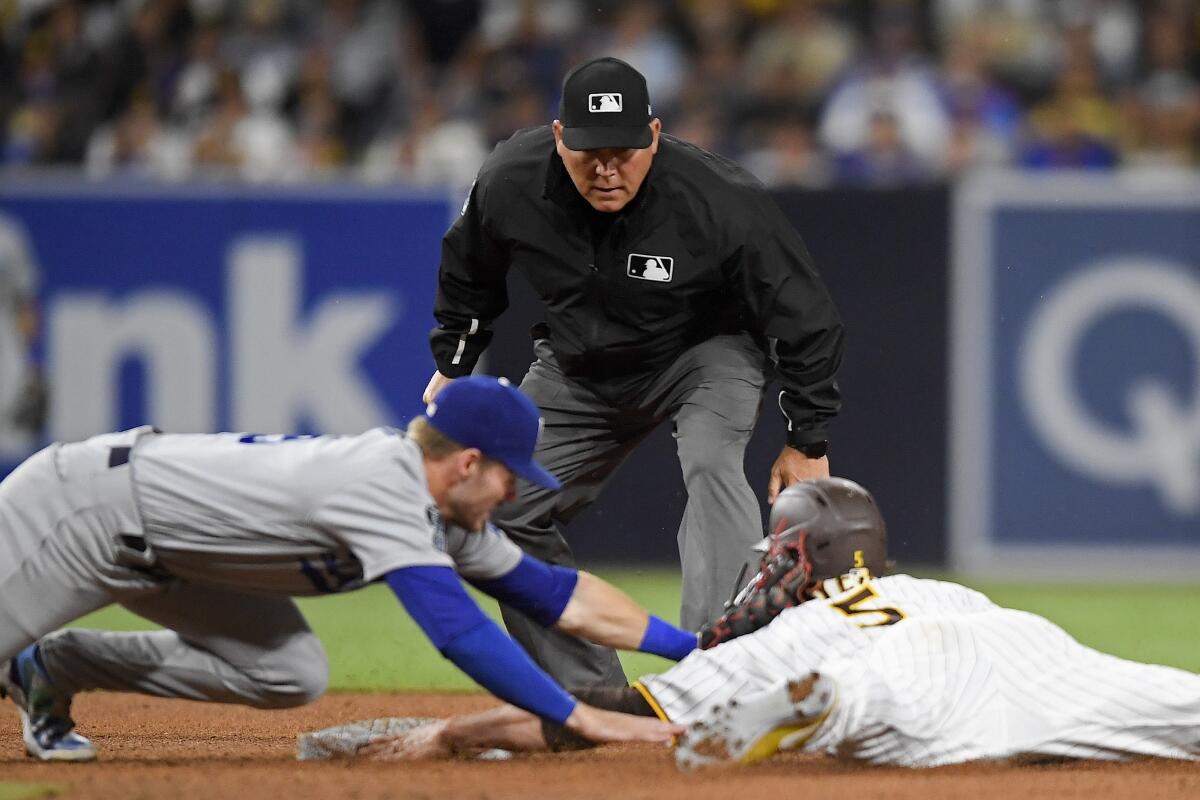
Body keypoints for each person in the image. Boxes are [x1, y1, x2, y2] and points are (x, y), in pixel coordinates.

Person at [0, 376, 690, 763]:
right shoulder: (385, 484)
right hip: (78, 512)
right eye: (512, 476)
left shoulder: (447, 510)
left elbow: (555, 597)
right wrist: (582, 717)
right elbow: (458, 633)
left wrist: (698, 648)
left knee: (287, 674)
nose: (517, 493)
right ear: (467, 463)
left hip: (179, 558)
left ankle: (50, 670)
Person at [424, 56, 844, 689]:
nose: (607, 169)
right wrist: (454, 365)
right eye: (589, 151)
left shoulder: (717, 197)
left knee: (712, 465)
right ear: (559, 136)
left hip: (705, 352)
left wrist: (808, 437)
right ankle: (593, 693)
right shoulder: (510, 178)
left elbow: (805, 314)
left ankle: (717, 672)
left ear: (654, 134)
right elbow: (468, 271)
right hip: (578, 369)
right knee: (487, 510)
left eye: (623, 150)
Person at [360, 478, 1200, 768]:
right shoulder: (949, 591)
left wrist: (457, 734)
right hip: (1023, 654)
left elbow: (610, 722)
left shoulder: (790, 630)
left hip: (883, 682)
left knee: (855, 699)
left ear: (801, 558)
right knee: (1163, 700)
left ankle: (810, 707)